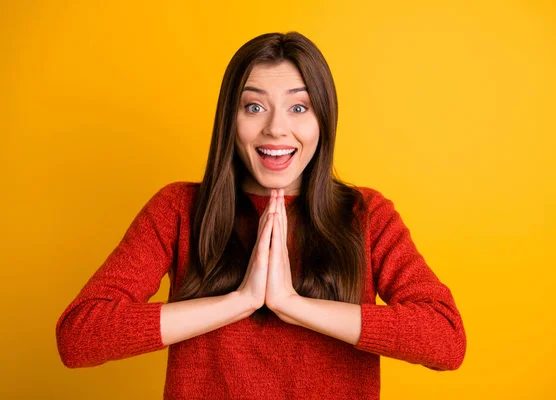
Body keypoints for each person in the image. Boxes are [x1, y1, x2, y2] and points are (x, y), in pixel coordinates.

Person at [56, 31, 466, 399]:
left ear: (324, 119)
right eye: (254, 107)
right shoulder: (178, 209)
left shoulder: (366, 215)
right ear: (229, 121)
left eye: (299, 108)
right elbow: (80, 336)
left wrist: (293, 304)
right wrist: (239, 301)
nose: (275, 129)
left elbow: (445, 339)